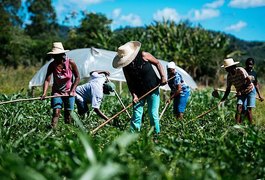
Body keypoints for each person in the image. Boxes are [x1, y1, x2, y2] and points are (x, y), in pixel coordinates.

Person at [112, 41, 167, 139]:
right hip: (138, 93)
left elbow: (158, 64)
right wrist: (134, 95)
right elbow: (129, 82)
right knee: (136, 116)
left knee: (153, 114)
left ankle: (156, 136)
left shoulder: (144, 55)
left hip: (152, 88)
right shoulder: (125, 67)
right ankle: (132, 137)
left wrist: (163, 77)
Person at [41, 42, 80, 128]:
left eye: (55, 55)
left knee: (68, 114)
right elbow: (47, 80)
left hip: (69, 92)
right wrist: (44, 93)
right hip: (57, 92)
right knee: (56, 112)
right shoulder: (52, 65)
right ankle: (53, 130)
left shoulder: (70, 63)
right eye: (53, 55)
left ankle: (67, 132)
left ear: (61, 54)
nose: (53, 57)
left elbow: (77, 78)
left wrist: (72, 90)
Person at [219, 58, 256, 124]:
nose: (225, 69)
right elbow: (228, 89)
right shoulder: (229, 76)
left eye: (226, 68)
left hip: (250, 90)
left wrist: (241, 91)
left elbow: (248, 81)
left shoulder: (240, 70)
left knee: (248, 110)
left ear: (232, 67)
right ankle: (237, 124)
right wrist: (223, 99)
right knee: (239, 106)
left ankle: (251, 126)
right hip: (240, 93)